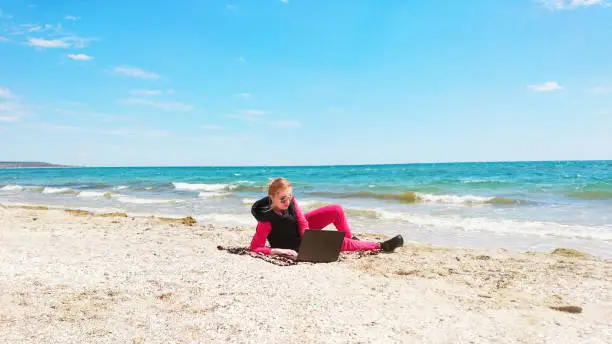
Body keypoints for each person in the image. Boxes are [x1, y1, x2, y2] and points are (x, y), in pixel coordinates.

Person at [249, 177, 404, 259]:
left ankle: (352, 238)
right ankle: (381, 246)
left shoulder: (291, 202)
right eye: (283, 199)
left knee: (336, 210)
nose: (287, 201)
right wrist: (280, 251)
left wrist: (309, 236)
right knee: (340, 243)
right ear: (271, 198)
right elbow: (255, 248)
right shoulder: (266, 220)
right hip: (293, 243)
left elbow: (302, 220)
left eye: (290, 197)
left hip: (302, 234)